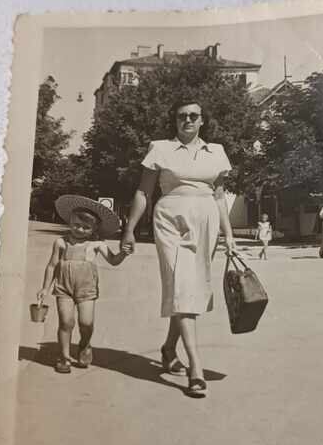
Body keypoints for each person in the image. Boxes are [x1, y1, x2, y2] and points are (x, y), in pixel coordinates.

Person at [120, 99, 235, 398]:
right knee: (181, 285)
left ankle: (169, 348)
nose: (187, 120)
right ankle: (196, 368)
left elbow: (220, 196)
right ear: (175, 120)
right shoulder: (160, 148)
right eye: (181, 116)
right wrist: (129, 229)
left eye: (193, 116)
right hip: (170, 218)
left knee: (189, 288)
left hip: (207, 218)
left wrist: (229, 234)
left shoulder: (217, 152)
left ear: (202, 121)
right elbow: (144, 191)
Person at [37, 195, 126, 374]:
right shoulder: (61, 242)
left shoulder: (97, 244)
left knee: (86, 322)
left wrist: (124, 253)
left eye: (86, 227)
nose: (80, 229)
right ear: (70, 221)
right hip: (64, 288)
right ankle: (64, 357)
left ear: (94, 228)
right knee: (66, 322)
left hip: (86, 289)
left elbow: (114, 261)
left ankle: (84, 345)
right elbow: (52, 265)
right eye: (76, 224)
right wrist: (45, 288)